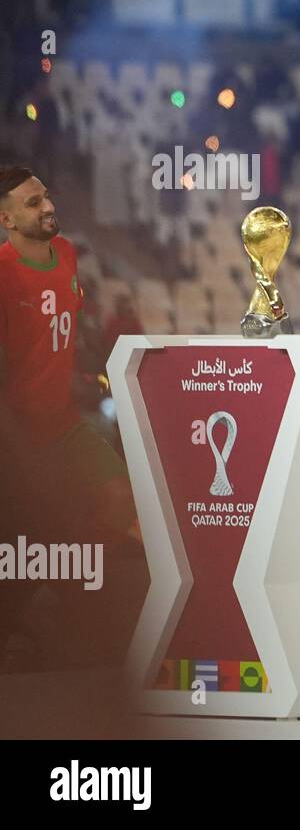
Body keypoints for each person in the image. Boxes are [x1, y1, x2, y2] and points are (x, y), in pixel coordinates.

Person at [0, 165, 139, 670]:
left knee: (127, 500)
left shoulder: (70, 256)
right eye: (32, 203)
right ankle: (27, 630)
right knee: (26, 540)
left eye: (47, 196)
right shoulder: (2, 271)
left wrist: (92, 374)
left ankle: (69, 608)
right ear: (7, 219)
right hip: (18, 439)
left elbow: (68, 333)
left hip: (65, 425)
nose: (48, 207)